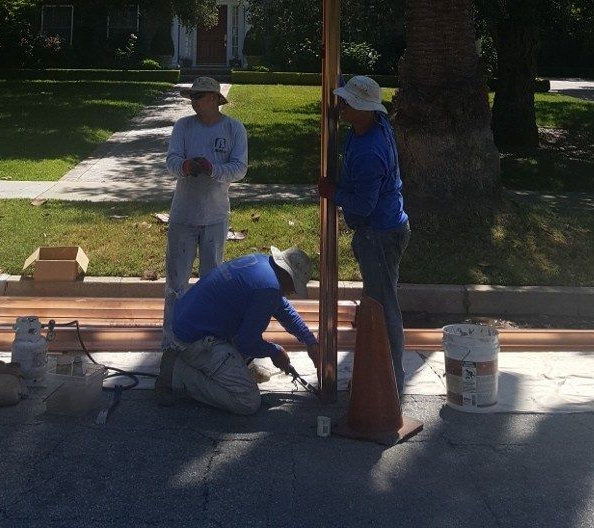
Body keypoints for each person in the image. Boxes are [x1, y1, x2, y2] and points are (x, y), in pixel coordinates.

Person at [319, 74, 410, 394]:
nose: (341, 107)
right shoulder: (373, 125)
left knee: (385, 308)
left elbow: (364, 204)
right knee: (380, 301)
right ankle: (383, 375)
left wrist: (334, 193)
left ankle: (390, 386)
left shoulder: (371, 151)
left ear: (364, 108)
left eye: (348, 103)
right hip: (385, 229)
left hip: (379, 234)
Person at [156, 246, 318, 414]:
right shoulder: (268, 288)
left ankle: (226, 366)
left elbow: (283, 309)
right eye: (294, 285)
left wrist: (310, 340)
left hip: (190, 323)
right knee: (248, 401)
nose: (293, 292)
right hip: (195, 340)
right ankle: (178, 374)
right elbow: (246, 342)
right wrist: (274, 352)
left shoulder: (264, 265)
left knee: (249, 325)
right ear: (287, 274)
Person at [162, 75, 248, 346]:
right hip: (183, 216)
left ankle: (209, 341)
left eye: (198, 97)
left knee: (212, 283)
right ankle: (171, 342)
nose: (193, 102)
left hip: (215, 216)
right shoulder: (183, 127)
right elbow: (171, 161)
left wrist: (213, 170)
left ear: (214, 99)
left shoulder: (234, 129)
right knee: (176, 283)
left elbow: (240, 168)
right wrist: (186, 166)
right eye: (192, 97)